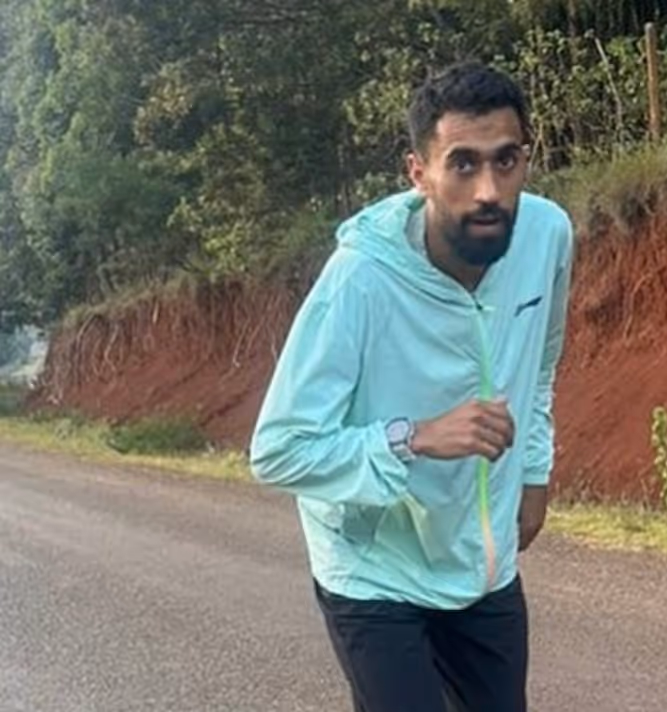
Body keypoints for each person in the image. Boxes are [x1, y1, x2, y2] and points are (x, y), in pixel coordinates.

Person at [249, 60, 574, 712]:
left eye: (506, 161)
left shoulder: (547, 235)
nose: (488, 190)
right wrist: (413, 438)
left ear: (526, 160)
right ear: (418, 173)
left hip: (479, 562)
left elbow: (541, 367)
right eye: (462, 164)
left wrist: (535, 475)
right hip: (373, 569)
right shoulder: (360, 280)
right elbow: (279, 450)